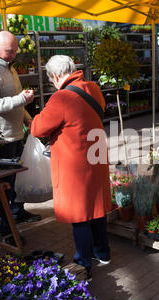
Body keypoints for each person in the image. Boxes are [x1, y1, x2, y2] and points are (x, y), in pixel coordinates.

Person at [30, 55, 112, 280]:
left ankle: (83, 263)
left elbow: (38, 128)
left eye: (51, 79)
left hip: (75, 163)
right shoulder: (93, 88)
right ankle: (103, 253)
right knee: (96, 207)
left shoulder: (61, 98)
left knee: (80, 214)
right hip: (95, 157)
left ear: (55, 76)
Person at [0, 31, 41, 245]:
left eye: (14, 51)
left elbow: (14, 101)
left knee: (15, 180)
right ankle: (6, 230)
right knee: (3, 186)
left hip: (14, 134)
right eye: (9, 51)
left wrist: (27, 117)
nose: (12, 55)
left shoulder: (8, 66)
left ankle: (17, 212)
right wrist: (20, 99)